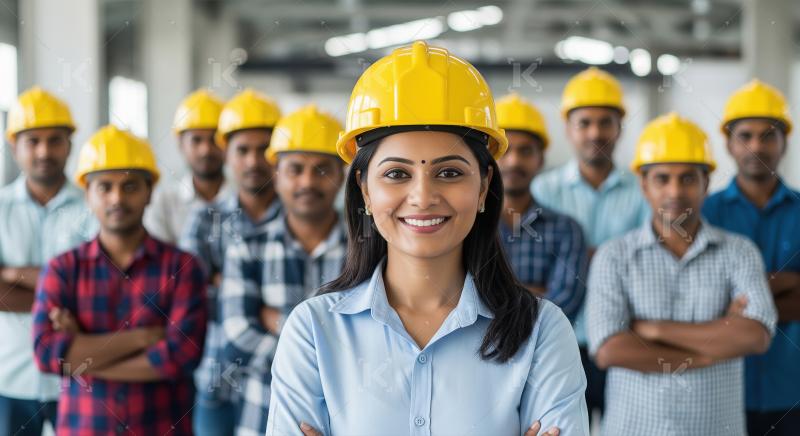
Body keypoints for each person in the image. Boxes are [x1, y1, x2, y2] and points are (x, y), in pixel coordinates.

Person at [266, 41, 589, 436]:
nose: (422, 197)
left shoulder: (542, 332)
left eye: (450, 172)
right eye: (397, 174)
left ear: (484, 186)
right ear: (365, 190)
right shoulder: (313, 331)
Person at [587, 113, 777, 435]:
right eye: (662, 178)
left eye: (688, 178)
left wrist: (653, 329)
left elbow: (755, 336)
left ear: (706, 184)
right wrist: (710, 348)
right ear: (644, 185)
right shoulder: (614, 256)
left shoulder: (739, 252)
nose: (675, 191)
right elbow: (608, 349)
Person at [31, 125, 207, 435]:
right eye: (105, 187)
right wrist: (143, 338)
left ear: (150, 191)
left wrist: (83, 359)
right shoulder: (63, 269)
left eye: (130, 187)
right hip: (85, 427)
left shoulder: (183, 268)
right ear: (87, 194)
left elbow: (179, 358)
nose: (116, 198)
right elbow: (46, 352)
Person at [221, 104, 348, 436]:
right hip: (260, 417)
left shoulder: (369, 247)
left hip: (348, 422)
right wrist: (333, 355)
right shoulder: (248, 245)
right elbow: (237, 338)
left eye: (321, 169)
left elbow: (381, 339)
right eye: (295, 169)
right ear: (276, 175)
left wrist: (278, 321)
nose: (307, 181)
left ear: (342, 175)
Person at [531, 67, 649, 422]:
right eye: (585, 123)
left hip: (623, 337)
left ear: (619, 128)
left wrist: (574, 258)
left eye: (605, 122)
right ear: (569, 128)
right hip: (557, 339)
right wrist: (608, 256)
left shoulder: (644, 190)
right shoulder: (542, 191)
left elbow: (646, 264)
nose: (595, 132)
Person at [180, 87, 282, 431]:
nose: (254, 161)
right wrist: (261, 308)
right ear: (226, 153)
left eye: (263, 150)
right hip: (215, 377)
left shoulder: (297, 220)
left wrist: (226, 283)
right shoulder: (204, 219)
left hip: (277, 374)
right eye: (243, 150)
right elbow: (191, 298)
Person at [703, 79, 800, 435]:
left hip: (793, 390)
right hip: (722, 388)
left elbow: (724, 304)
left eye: (768, 135)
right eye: (745, 135)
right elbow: (702, 301)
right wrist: (785, 284)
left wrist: (746, 300)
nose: (756, 145)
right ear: (728, 143)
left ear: (784, 142)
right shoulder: (704, 214)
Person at [0, 86, 96, 436]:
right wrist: (62, 292)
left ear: (70, 144)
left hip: (77, 374)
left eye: (54, 140)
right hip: (10, 379)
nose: (44, 151)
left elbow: (99, 289)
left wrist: (12, 273)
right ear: (15, 146)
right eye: (33, 141)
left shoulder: (94, 206)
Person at [495, 93, 588, 322]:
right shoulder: (467, 225)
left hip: (546, 353)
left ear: (541, 159)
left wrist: (493, 297)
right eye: (505, 150)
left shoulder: (567, 229)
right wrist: (537, 293)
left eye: (525, 151)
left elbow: (563, 307)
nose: (514, 161)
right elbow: (453, 298)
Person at [144, 89, 229, 244]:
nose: (206, 150)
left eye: (214, 139)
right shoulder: (163, 203)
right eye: (196, 140)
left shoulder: (245, 199)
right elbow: (160, 262)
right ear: (180, 144)